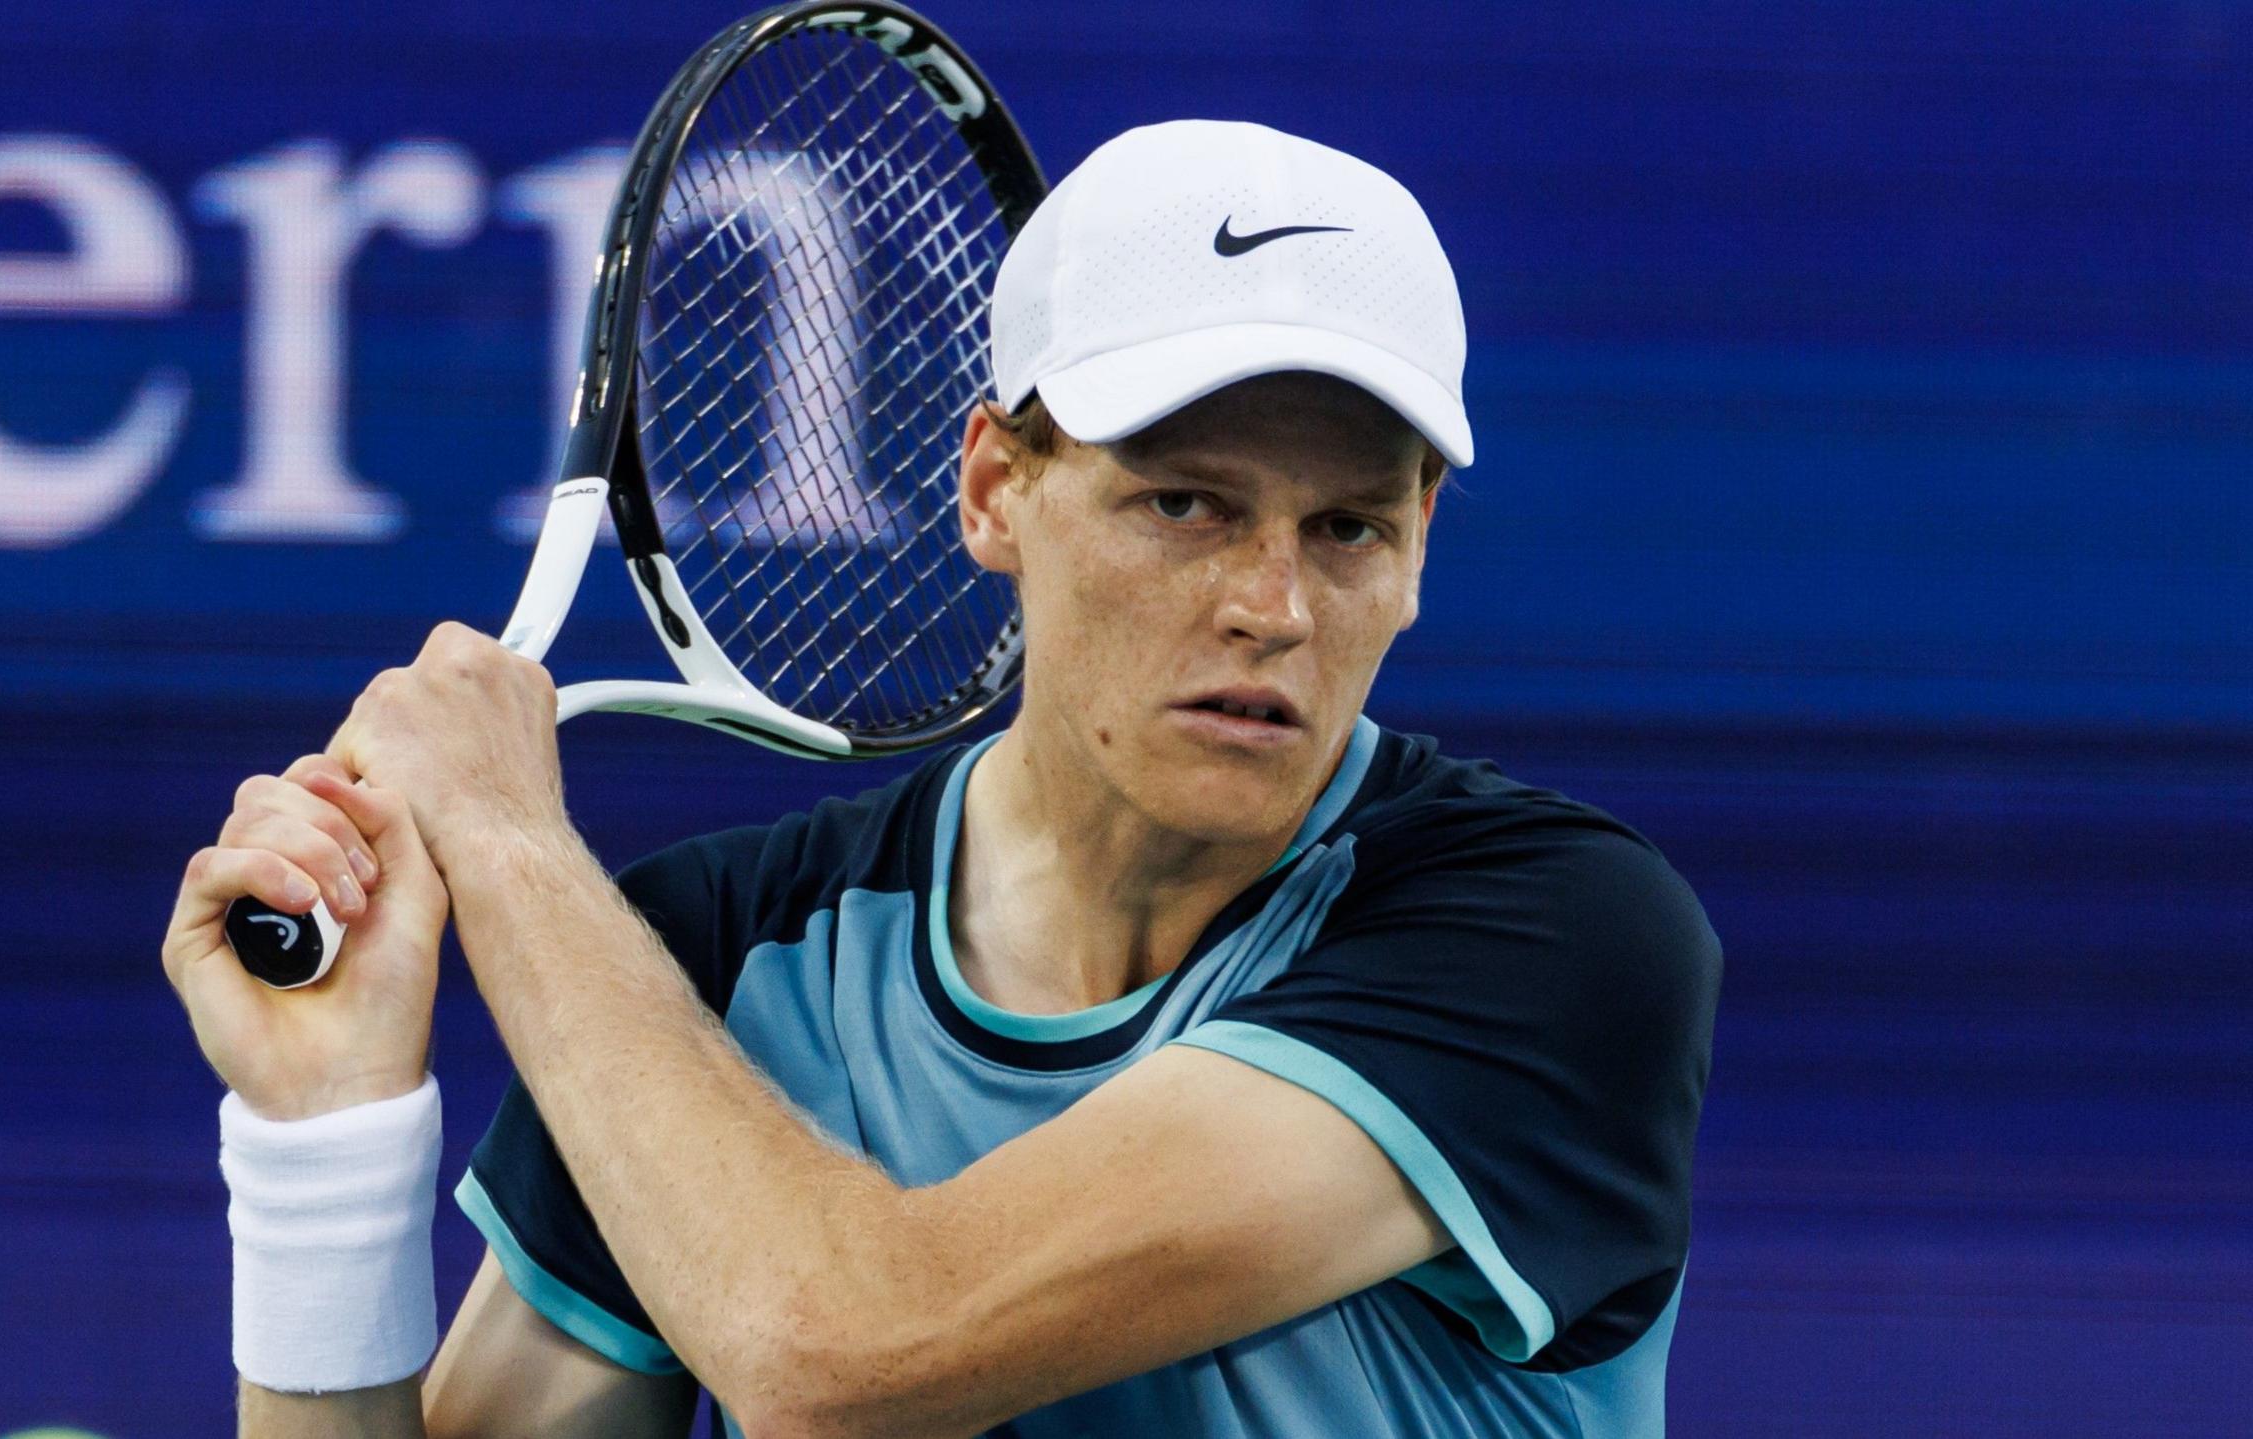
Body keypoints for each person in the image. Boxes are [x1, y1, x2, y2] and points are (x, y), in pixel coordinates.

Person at [164, 120, 1721, 1439]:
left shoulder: (1557, 941)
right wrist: (328, 1148)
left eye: (1349, 528)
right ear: (994, 488)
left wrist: (505, 845)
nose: (1274, 604)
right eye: (1185, 503)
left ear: (1420, 550)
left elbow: (843, 1352)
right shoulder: (716, 963)